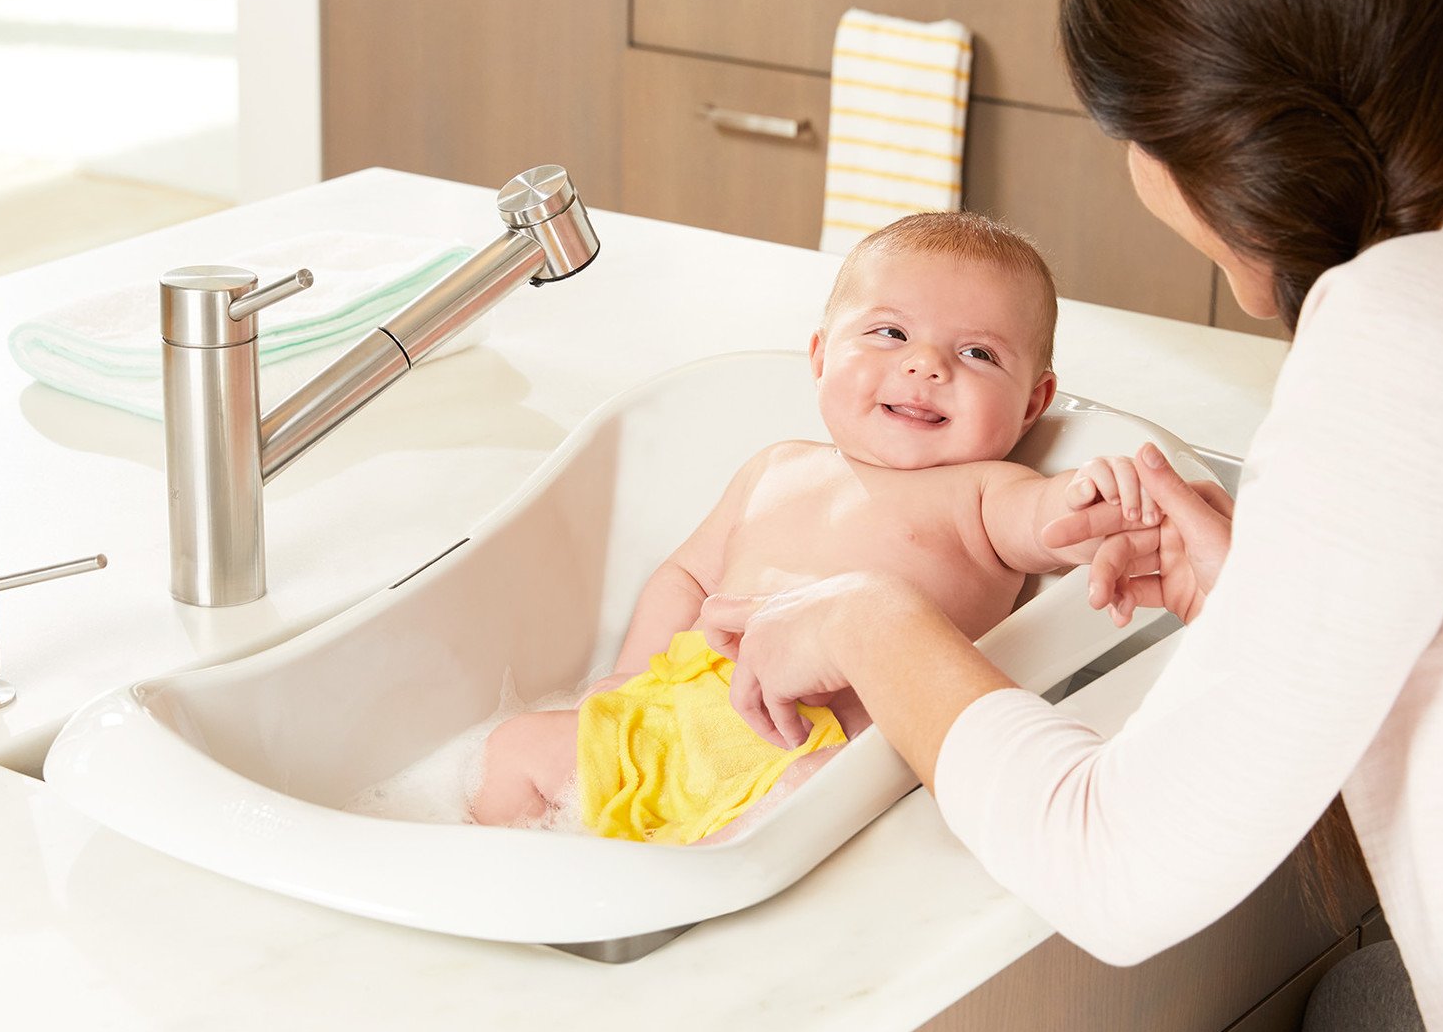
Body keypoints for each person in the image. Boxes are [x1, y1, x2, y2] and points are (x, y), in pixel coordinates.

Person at [697, 0, 1443, 1032]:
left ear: (1228, 144)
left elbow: (1121, 867)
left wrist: (865, 618)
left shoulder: (1417, 323)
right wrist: (1267, 596)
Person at [466, 211, 1152, 840]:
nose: (925, 364)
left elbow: (1050, 523)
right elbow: (685, 575)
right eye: (890, 332)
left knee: (811, 801)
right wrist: (627, 677)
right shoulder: (776, 467)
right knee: (511, 751)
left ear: (1033, 403)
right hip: (673, 714)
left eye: (977, 354)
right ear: (821, 356)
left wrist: (1096, 498)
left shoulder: (982, 493)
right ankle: (524, 897)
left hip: (804, 748)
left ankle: (691, 885)